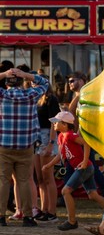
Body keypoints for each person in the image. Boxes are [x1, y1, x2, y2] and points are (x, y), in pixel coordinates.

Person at [0, 68, 49, 227]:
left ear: (6, 84)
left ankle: (1, 216)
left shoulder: (3, 95)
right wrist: (26, 74)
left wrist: (4, 74)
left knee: (3, 181)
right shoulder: (31, 95)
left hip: (4, 145)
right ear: (22, 83)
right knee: (25, 181)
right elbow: (45, 83)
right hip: (26, 146)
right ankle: (28, 217)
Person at [43, 111, 104, 231]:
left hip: (84, 168)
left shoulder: (70, 135)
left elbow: (86, 143)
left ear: (65, 124)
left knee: (65, 191)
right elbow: (61, 155)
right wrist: (49, 165)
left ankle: (72, 221)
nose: (54, 124)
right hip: (85, 167)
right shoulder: (62, 136)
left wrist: (84, 161)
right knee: (93, 195)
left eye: (56, 122)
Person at [66, 72, 104, 199]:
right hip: (79, 135)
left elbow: (83, 115)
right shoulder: (77, 95)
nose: (70, 84)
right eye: (69, 81)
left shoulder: (87, 95)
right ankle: (94, 192)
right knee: (88, 166)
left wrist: (79, 133)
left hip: (85, 136)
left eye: (73, 80)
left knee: (91, 166)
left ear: (82, 80)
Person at [33, 82, 61, 222]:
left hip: (46, 137)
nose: (33, 84)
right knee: (40, 178)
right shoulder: (37, 98)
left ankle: (52, 211)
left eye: (36, 82)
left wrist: (51, 143)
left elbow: (53, 122)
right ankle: (44, 209)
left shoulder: (52, 99)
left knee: (48, 176)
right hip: (37, 138)